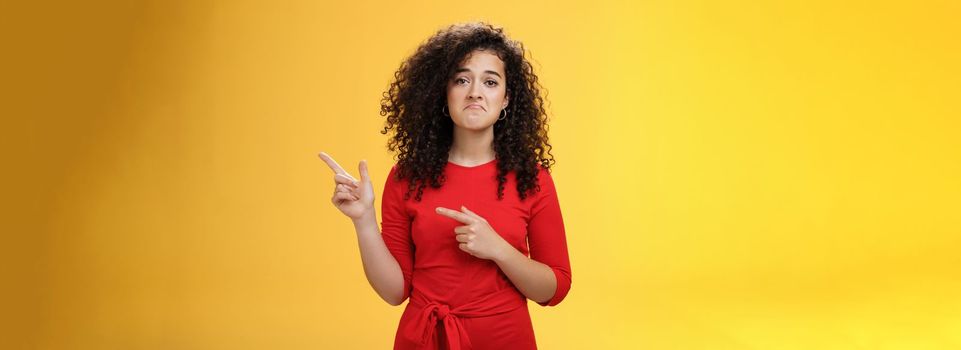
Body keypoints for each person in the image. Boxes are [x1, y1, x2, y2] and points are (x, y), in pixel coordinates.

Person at [318, 22, 571, 350]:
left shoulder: (532, 179)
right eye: (462, 79)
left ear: (507, 98)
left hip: (506, 340)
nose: (475, 92)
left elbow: (554, 289)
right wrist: (363, 219)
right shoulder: (406, 176)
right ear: (443, 92)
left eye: (490, 82)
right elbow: (395, 292)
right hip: (424, 339)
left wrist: (498, 249)